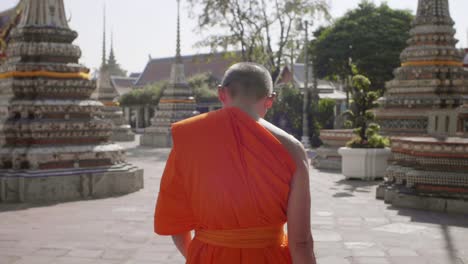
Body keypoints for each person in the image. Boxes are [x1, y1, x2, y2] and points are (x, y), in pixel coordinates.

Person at [154, 62, 315, 264]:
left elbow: (177, 227)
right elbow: (301, 243)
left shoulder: (190, 137)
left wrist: (201, 256)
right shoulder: (293, 148)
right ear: (270, 100)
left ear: (221, 94)